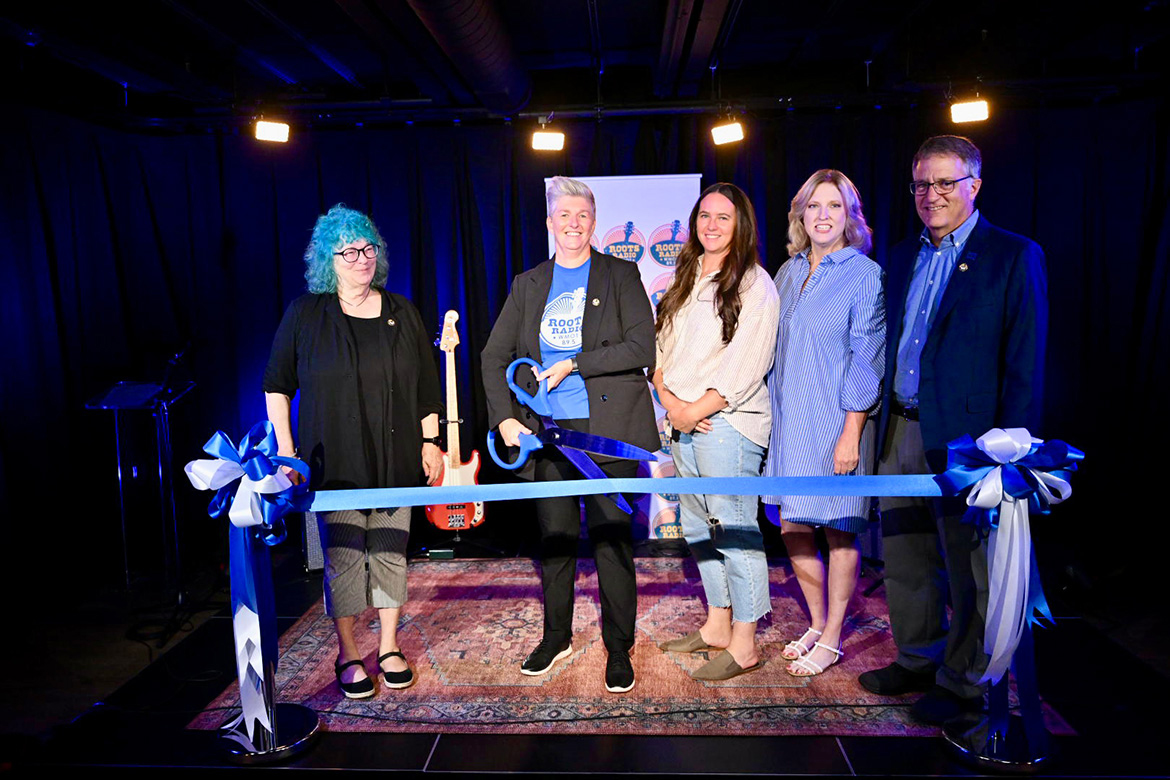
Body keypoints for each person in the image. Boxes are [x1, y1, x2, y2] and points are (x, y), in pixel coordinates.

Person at [858, 136, 1048, 725]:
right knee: (906, 557)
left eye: (945, 182)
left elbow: (1025, 362)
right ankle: (918, 657)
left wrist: (1011, 450)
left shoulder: (1013, 255)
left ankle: (964, 681)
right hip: (900, 431)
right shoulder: (899, 256)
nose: (931, 194)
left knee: (971, 569)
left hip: (972, 442)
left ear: (975, 185)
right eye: (921, 184)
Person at [481, 176, 658, 694]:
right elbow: (493, 357)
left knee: (611, 541)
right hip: (548, 436)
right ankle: (556, 636)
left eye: (582, 215)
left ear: (593, 221)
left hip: (608, 434)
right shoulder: (528, 283)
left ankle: (618, 648)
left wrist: (574, 364)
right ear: (549, 223)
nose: (573, 224)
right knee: (555, 541)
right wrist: (504, 418)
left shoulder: (620, 275)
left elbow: (640, 348)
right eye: (564, 216)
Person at [263, 204, 443, 698]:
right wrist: (286, 452)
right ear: (328, 259)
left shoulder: (402, 311)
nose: (361, 258)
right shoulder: (305, 314)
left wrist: (430, 441)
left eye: (368, 249)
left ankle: (387, 646)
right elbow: (276, 386)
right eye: (348, 251)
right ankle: (347, 652)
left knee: (389, 553)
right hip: (329, 462)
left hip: (394, 458)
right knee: (343, 559)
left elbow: (426, 387)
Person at [653, 183, 780, 681]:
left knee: (734, 526)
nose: (711, 224)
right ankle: (717, 626)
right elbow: (660, 352)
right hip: (682, 420)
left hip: (728, 423)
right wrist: (672, 405)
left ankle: (746, 644)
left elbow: (749, 362)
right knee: (701, 527)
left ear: (740, 225)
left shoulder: (754, 283)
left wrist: (698, 408)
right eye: (704, 215)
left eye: (723, 217)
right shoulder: (685, 277)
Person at [761, 170, 885, 677]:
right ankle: (818, 621)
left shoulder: (864, 274)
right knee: (792, 525)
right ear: (801, 215)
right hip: (789, 424)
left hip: (836, 423)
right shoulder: (787, 272)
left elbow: (866, 357)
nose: (823, 216)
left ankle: (832, 638)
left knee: (838, 533)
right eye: (814, 206)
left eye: (834, 206)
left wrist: (852, 432)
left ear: (849, 216)